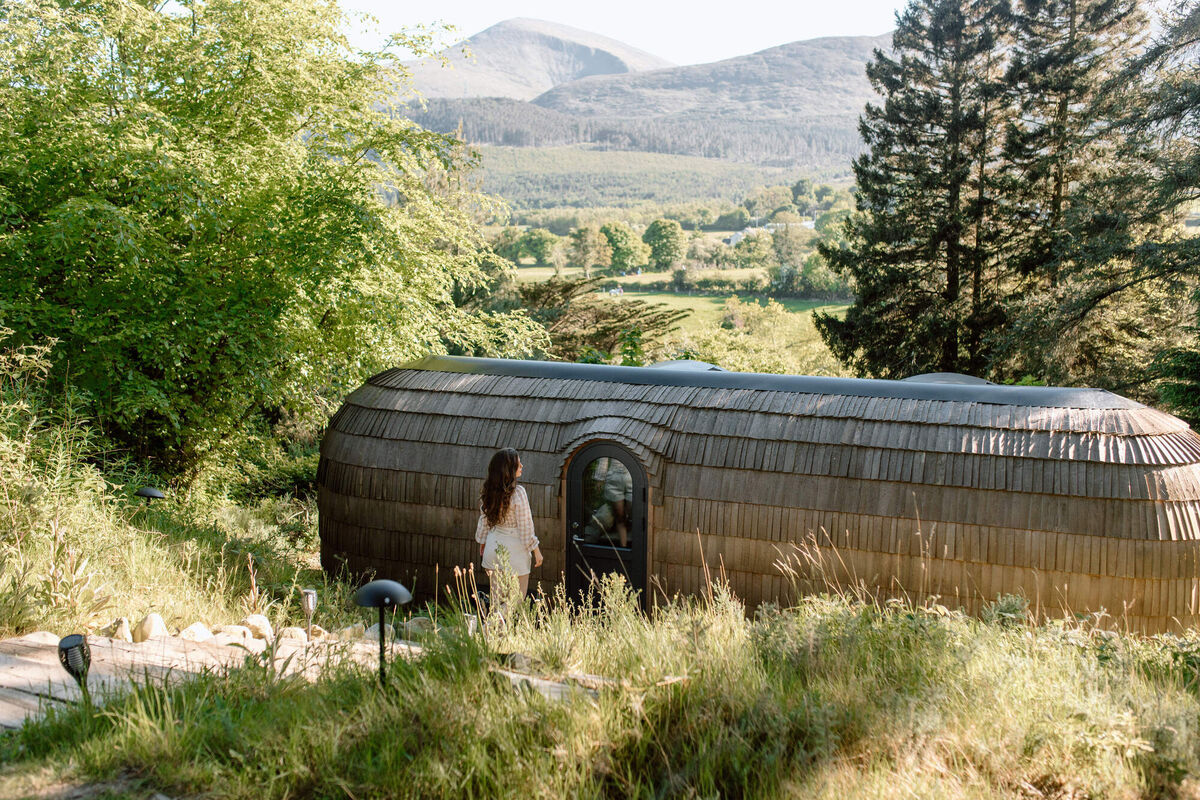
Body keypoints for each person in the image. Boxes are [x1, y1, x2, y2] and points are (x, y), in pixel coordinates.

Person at [475, 448, 543, 597]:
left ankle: (491, 621)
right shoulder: (518, 493)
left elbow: (484, 521)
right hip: (514, 553)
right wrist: (536, 551)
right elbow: (526, 528)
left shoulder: (488, 491)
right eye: (518, 464)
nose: (522, 466)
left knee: (497, 602)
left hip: (492, 549)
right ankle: (496, 622)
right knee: (516, 600)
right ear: (509, 469)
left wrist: (482, 542)